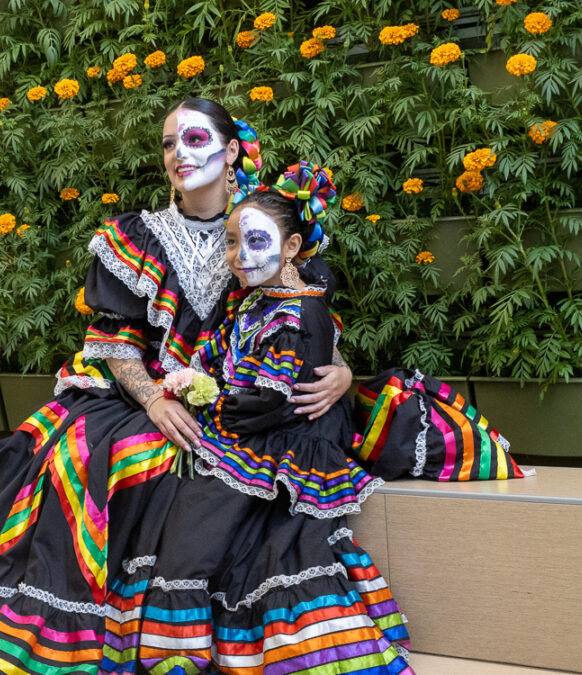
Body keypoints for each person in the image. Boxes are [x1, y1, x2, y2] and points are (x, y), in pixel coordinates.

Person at [0, 99, 353, 674]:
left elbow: (303, 318)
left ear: (232, 151)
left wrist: (345, 370)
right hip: (145, 393)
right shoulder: (134, 235)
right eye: (167, 143)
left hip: (247, 399)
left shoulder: (270, 224)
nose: (179, 153)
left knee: (166, 465)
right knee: (64, 450)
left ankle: (166, 622)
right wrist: (155, 397)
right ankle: (57, 619)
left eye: (197, 139)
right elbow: (117, 345)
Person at [126, 162, 528, 674]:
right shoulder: (257, 301)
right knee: (198, 519)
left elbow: (275, 398)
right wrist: (191, 386)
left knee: (231, 532)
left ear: (292, 248)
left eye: (252, 241)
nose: (238, 255)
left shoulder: (299, 309)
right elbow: (235, 369)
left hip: (290, 438)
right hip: (264, 430)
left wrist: (210, 410)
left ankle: (201, 647)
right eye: (230, 243)